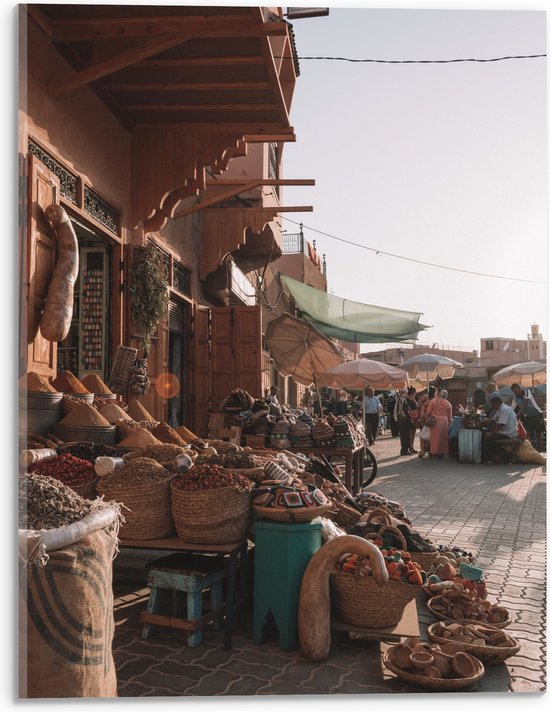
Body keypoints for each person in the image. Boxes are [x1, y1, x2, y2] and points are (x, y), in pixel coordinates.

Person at [481, 395, 518, 463]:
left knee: (487, 437)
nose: (492, 406)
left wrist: (491, 433)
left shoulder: (504, 409)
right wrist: (482, 421)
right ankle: (496, 455)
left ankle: (489, 459)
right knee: (486, 433)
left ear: (497, 403)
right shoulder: (500, 409)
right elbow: (493, 420)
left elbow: (501, 425)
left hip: (508, 433)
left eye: (493, 404)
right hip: (503, 431)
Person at [510, 383, 545, 452]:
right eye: (513, 391)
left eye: (516, 390)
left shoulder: (527, 392)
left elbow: (526, 402)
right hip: (529, 417)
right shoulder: (515, 399)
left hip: (537, 414)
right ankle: (531, 450)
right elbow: (512, 409)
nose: (515, 392)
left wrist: (519, 413)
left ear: (519, 388)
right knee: (526, 434)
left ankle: (539, 451)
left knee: (539, 435)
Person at [425, 388, 453, 459]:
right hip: (444, 422)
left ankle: (434, 452)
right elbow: (450, 416)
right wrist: (449, 423)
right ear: (446, 396)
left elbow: (428, 412)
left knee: (434, 438)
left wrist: (426, 418)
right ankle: (442, 452)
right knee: (443, 438)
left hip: (435, 421)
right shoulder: (448, 403)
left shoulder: (433, 401)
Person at [417, 385, 437, 458]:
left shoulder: (426, 400)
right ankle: (432, 451)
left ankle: (422, 451)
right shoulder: (436, 400)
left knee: (423, 436)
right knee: (432, 436)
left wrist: (422, 420)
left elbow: (421, 410)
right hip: (435, 420)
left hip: (427, 420)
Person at [394, 388, 413, 456]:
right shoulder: (402, 400)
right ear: (404, 393)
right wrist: (407, 417)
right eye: (407, 393)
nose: (407, 395)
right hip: (403, 420)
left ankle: (404, 449)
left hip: (401, 420)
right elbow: (402, 411)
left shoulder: (399, 399)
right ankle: (405, 449)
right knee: (405, 435)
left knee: (403, 435)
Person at [405, 387, 419, 453]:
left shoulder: (413, 400)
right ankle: (410, 447)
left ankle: (411, 447)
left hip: (414, 418)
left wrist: (414, 400)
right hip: (410, 419)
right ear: (412, 393)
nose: (415, 394)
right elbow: (409, 410)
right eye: (415, 392)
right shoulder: (407, 401)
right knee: (410, 434)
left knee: (413, 433)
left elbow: (417, 406)